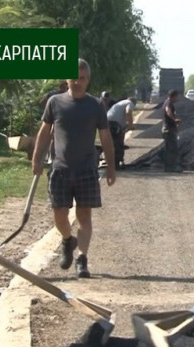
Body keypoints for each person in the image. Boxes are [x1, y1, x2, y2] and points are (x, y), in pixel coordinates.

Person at [32, 59, 116, 278]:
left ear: (88, 80)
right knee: (59, 214)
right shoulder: (55, 103)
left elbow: (105, 137)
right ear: (66, 79)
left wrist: (111, 167)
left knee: (84, 215)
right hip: (60, 168)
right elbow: (44, 132)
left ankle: (82, 259)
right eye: (74, 78)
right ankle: (68, 240)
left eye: (82, 78)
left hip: (86, 169)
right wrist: (36, 159)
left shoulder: (95, 105)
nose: (77, 82)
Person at [106, 96, 137, 169]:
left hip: (108, 122)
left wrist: (125, 127)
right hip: (114, 124)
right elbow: (128, 112)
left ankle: (112, 162)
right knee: (118, 143)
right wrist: (131, 125)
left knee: (111, 143)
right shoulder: (130, 103)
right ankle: (116, 164)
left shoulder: (121, 103)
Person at [161, 89, 182, 172]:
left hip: (168, 128)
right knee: (172, 148)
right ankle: (171, 167)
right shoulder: (168, 103)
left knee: (169, 148)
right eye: (177, 96)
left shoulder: (167, 102)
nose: (177, 98)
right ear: (174, 96)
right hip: (168, 129)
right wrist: (175, 119)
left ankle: (168, 167)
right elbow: (168, 111)